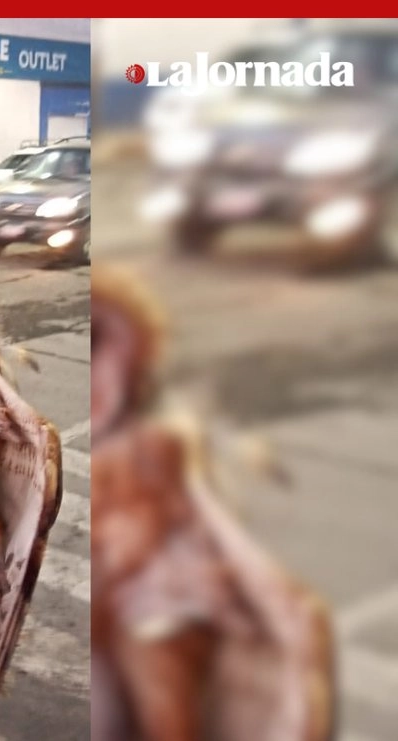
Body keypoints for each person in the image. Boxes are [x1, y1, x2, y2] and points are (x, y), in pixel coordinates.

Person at [89, 265, 334, 741]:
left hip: (157, 593)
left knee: (159, 675)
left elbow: (157, 525)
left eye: (103, 345)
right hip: (126, 584)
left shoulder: (155, 441)